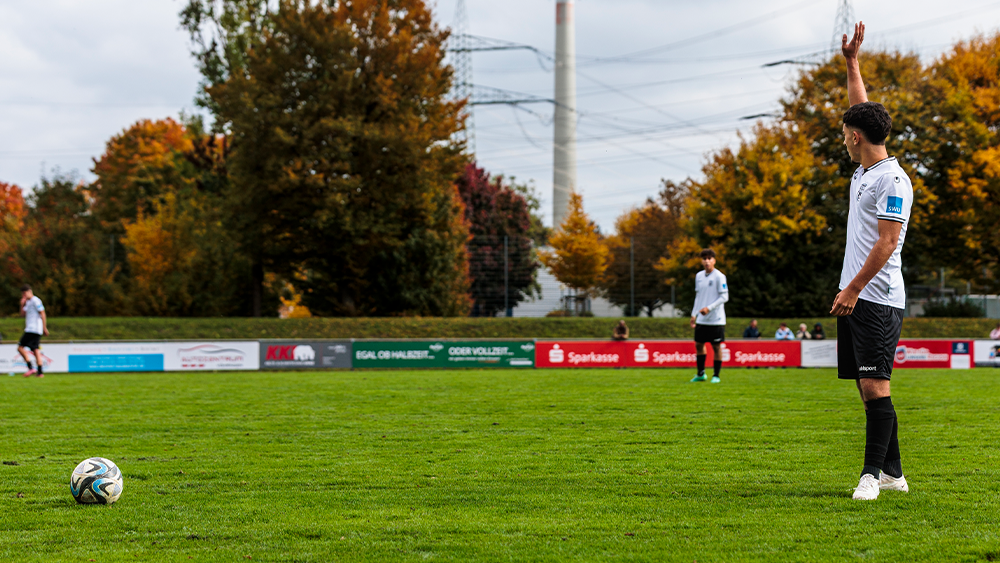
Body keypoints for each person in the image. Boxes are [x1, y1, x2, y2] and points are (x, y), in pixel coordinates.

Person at [832, 22, 914, 501]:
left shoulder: (893, 181)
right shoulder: (867, 167)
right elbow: (859, 110)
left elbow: (887, 244)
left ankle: (870, 478)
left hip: (877, 297)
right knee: (869, 389)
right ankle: (894, 473)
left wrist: (853, 289)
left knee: (876, 388)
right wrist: (852, 63)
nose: (844, 135)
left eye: (846, 131)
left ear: (857, 137)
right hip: (860, 295)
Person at [689, 248, 728, 383]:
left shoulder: (719, 276)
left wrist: (709, 308)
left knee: (716, 346)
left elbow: (725, 297)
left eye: (709, 258)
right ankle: (701, 373)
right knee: (699, 344)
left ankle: (716, 375)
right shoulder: (699, 276)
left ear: (714, 261)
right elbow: (698, 296)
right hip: (701, 319)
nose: (707, 261)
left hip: (716, 319)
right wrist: (694, 314)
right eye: (704, 258)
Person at [17, 284, 48, 377]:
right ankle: (40, 372)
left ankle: (31, 368)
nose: (23, 296)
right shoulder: (28, 302)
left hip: (32, 329)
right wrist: (22, 304)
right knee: (35, 350)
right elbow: (22, 314)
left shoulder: (35, 300)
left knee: (20, 348)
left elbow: (42, 313)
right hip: (34, 329)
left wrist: (44, 327)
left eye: (24, 293)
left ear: (29, 291)